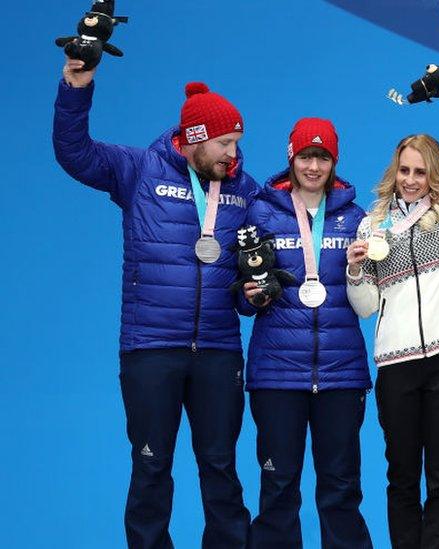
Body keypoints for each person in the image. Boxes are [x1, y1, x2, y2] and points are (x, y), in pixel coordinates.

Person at [54, 58, 254, 548]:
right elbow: (73, 151)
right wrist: (77, 85)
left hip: (218, 351)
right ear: (197, 138)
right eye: (225, 143)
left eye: (237, 143)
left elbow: (251, 281)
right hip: (150, 349)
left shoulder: (246, 191)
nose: (234, 153)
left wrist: (252, 294)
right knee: (150, 470)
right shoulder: (138, 170)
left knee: (221, 472)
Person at [345, 77, 439, 548]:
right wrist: (354, 273)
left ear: (435, 175)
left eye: (421, 172)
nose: (412, 180)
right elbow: (367, 308)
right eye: (405, 170)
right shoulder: (372, 226)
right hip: (396, 365)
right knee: (401, 476)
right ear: (396, 172)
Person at [239, 118, 372, 548]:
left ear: (334, 161)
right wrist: (252, 294)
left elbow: (369, 297)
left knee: (341, 489)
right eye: (305, 156)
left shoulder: (356, 218)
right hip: (277, 374)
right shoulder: (260, 212)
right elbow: (240, 297)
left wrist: (360, 268)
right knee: (278, 489)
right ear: (291, 157)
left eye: (323, 156)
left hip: (341, 373)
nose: (313, 166)